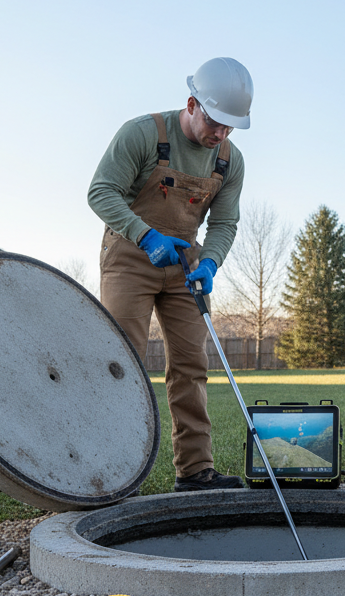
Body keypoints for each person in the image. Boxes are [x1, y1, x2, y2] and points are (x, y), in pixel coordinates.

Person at [87, 57, 250, 492]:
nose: (221, 134)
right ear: (193, 103)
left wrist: (211, 261)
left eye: (230, 127)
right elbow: (100, 191)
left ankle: (195, 471)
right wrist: (145, 236)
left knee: (192, 365)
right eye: (215, 122)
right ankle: (117, 473)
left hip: (186, 264)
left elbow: (224, 223)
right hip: (129, 254)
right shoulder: (142, 134)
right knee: (122, 363)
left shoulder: (229, 161)